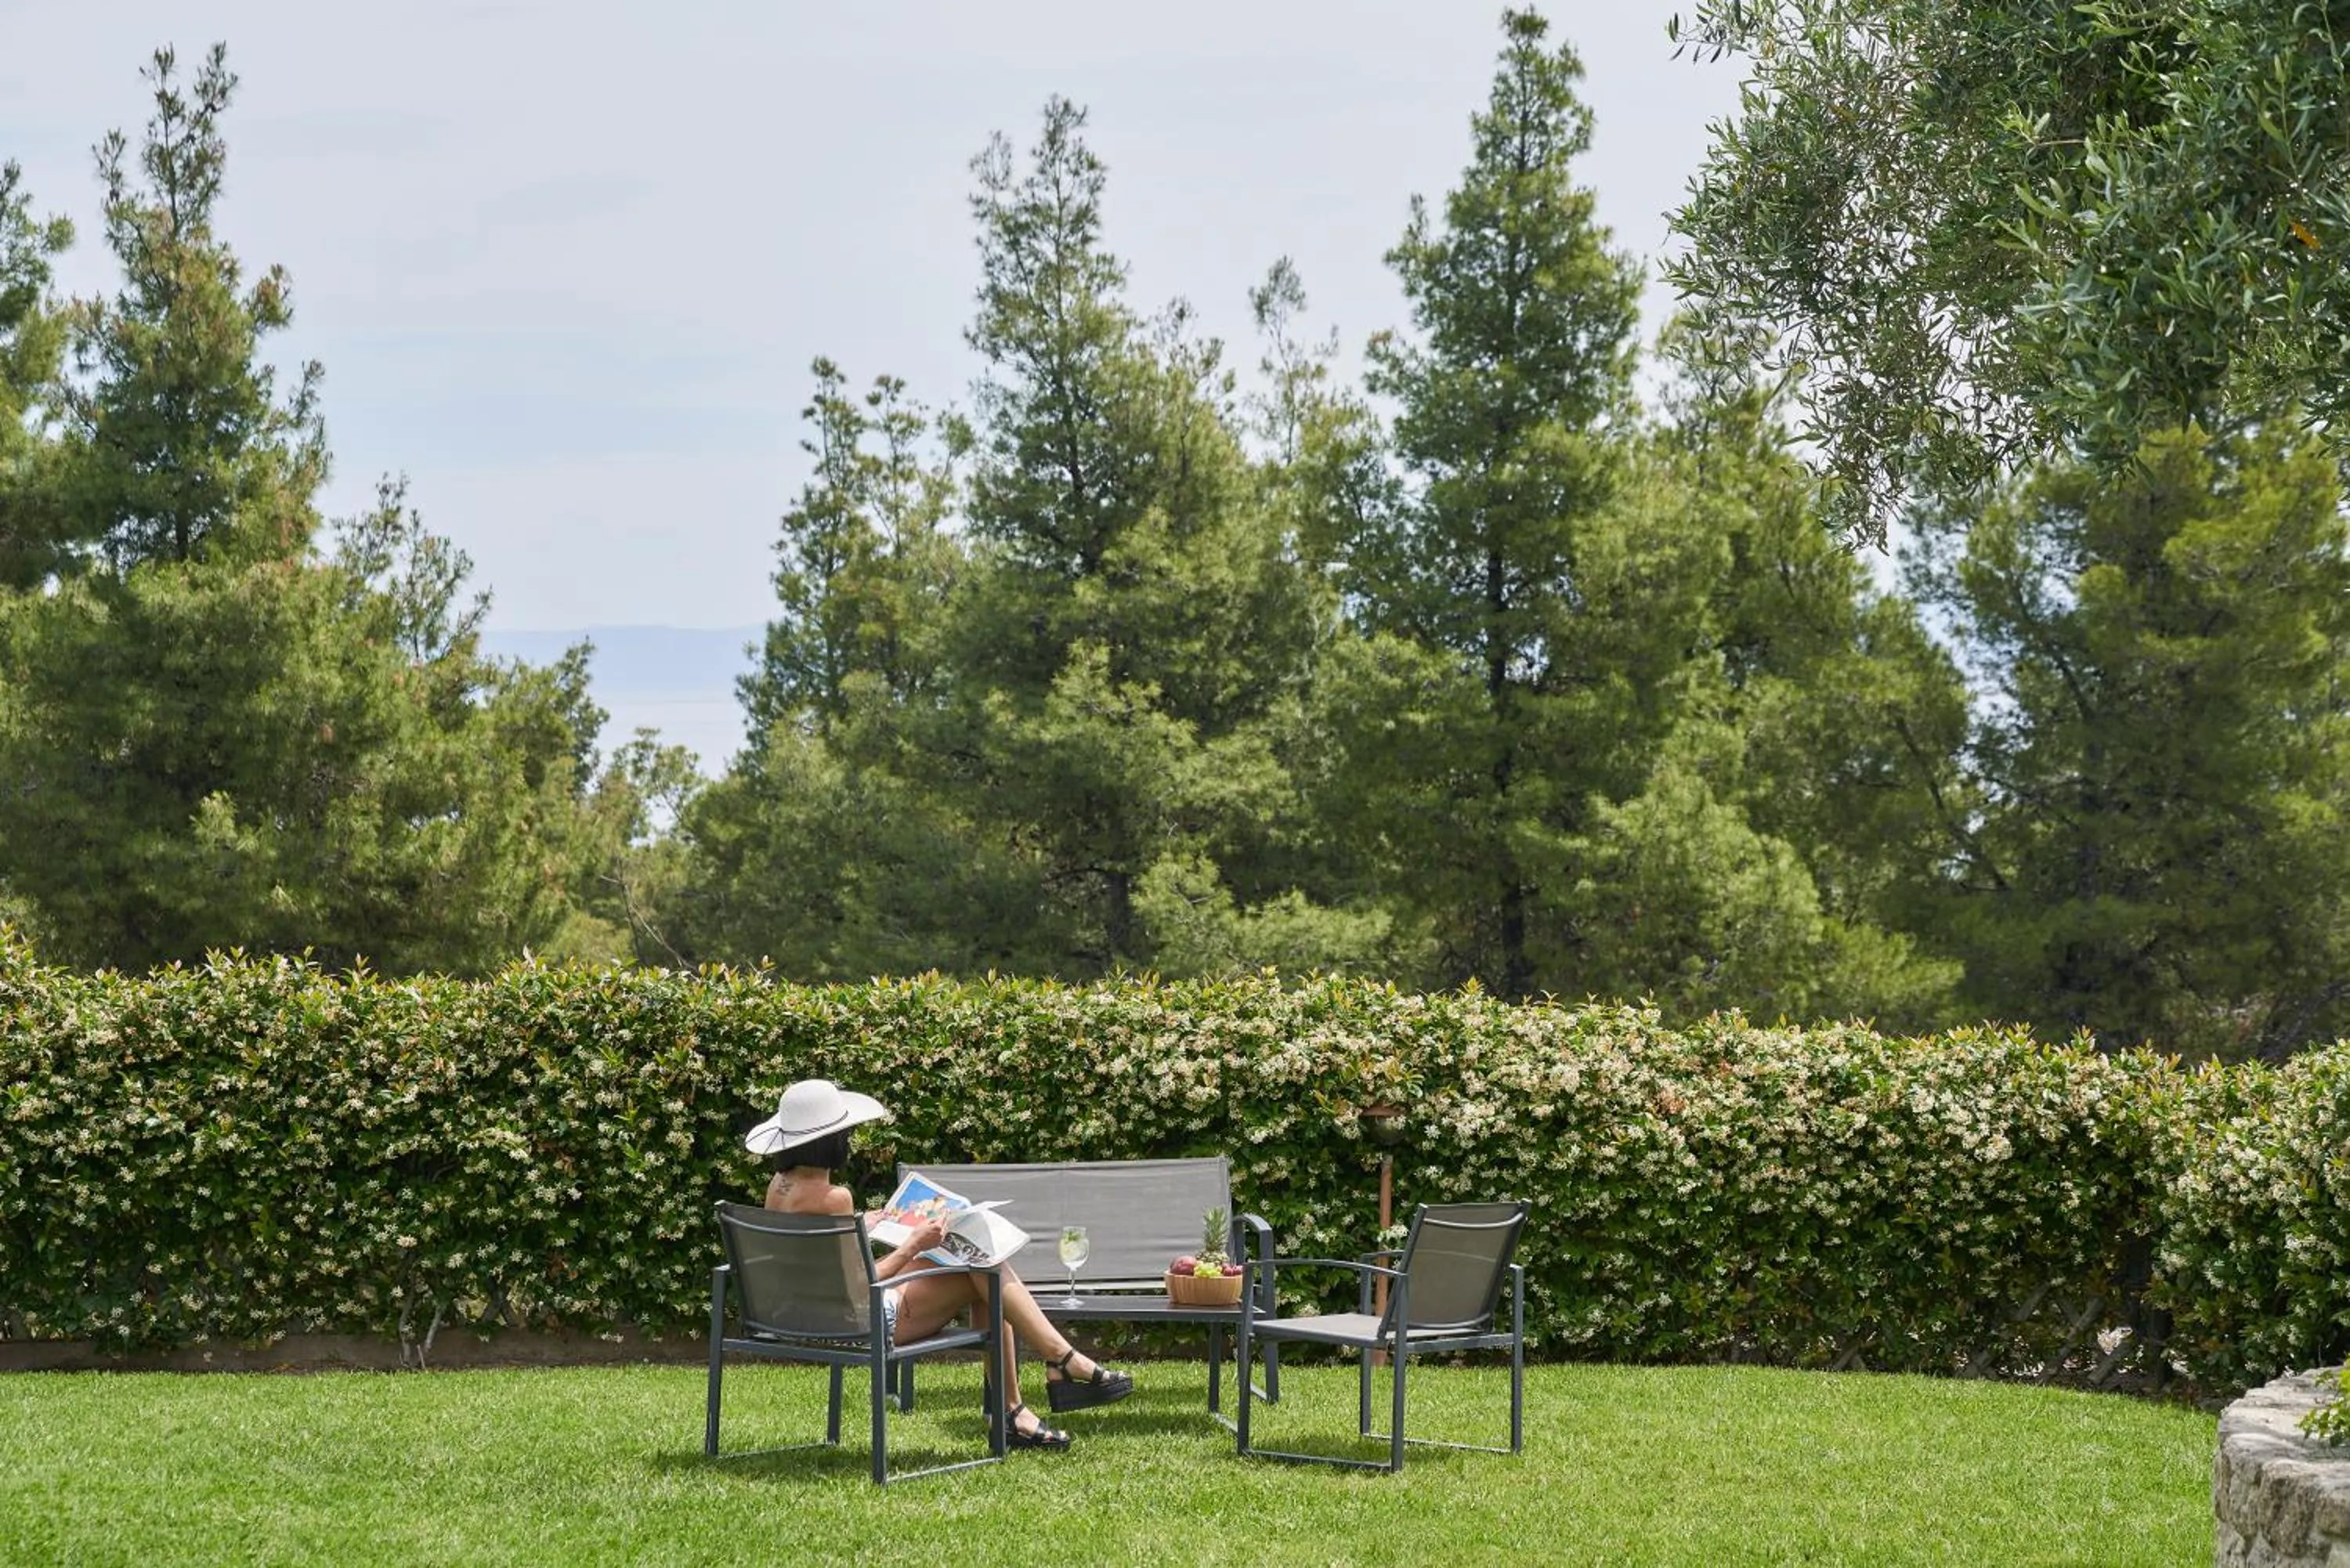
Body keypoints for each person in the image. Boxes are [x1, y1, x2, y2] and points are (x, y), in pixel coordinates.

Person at [746, 1078, 1134, 1451]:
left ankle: (1031, 1393)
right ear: (832, 1140)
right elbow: (860, 1287)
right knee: (985, 1270)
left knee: (977, 1263)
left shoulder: (781, 1185)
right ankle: (1049, 1374)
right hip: (856, 1324)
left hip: (806, 1315)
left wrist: (861, 1226)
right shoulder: (834, 1198)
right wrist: (915, 1242)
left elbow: (815, 1258)